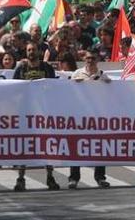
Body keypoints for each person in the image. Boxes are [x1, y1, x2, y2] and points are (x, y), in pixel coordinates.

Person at [12, 44, 60, 191]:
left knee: (47, 144)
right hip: (25, 112)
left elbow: (54, 87)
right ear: (26, 52)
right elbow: (13, 87)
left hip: (44, 111)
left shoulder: (47, 68)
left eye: (34, 50)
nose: (31, 52)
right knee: (24, 145)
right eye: (29, 50)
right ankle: (21, 178)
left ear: (39, 51)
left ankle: (50, 176)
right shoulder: (21, 68)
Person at [67, 51, 113, 189]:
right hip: (80, 116)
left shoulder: (103, 75)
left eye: (93, 58)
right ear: (84, 59)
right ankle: (74, 178)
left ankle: (100, 177)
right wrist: (74, 83)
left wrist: (108, 84)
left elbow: (111, 94)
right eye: (87, 58)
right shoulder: (77, 73)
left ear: (97, 60)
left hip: (97, 117)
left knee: (99, 147)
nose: (90, 60)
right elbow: (67, 91)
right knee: (76, 147)